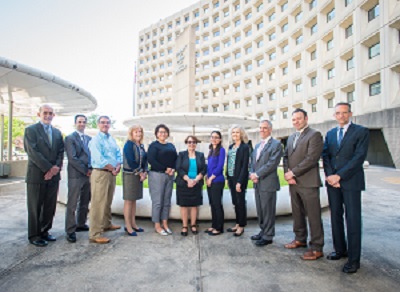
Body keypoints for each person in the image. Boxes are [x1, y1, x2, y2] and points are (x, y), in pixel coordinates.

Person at [322, 102, 369, 274]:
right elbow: (325, 155)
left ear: (350, 114)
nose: (341, 116)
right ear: (334, 115)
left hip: (351, 181)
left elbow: (359, 157)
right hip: (333, 182)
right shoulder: (330, 133)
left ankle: (353, 260)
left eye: (344, 113)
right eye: (337, 113)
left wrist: (339, 176)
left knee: (353, 219)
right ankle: (340, 250)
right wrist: (330, 176)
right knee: (335, 216)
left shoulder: (361, 131)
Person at [283, 108, 324, 260]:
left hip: (308, 182)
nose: (296, 122)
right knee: (297, 213)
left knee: (313, 215)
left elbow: (311, 159)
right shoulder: (291, 137)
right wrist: (288, 175)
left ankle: (317, 247)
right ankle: (300, 239)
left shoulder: (314, 135)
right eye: (294, 119)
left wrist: (293, 173)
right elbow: (286, 156)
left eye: (299, 119)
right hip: (293, 182)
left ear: (306, 118)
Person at [24, 104, 64, 247]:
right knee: (35, 207)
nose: (48, 115)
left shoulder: (58, 133)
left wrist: (54, 170)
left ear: (54, 115)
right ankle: (34, 235)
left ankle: (45, 231)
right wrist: (48, 168)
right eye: (45, 113)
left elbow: (60, 152)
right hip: (36, 175)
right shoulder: (30, 130)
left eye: (51, 113)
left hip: (53, 176)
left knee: (49, 206)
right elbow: (33, 152)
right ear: (39, 114)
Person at [88, 115, 122, 244]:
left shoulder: (111, 139)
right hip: (101, 173)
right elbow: (98, 158)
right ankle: (95, 233)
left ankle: (106, 224)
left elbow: (118, 153)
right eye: (102, 122)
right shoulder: (95, 140)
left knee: (107, 200)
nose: (105, 125)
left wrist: (118, 165)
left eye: (107, 123)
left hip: (111, 173)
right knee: (98, 203)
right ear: (98, 124)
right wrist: (111, 168)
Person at [249, 120, 283, 246]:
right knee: (261, 209)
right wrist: (252, 174)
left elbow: (272, 164)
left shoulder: (276, 144)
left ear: (270, 129)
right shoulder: (258, 146)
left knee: (268, 210)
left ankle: (268, 236)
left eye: (265, 128)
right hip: (257, 183)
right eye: (260, 128)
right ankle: (263, 231)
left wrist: (257, 174)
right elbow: (253, 162)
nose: (262, 130)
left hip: (268, 183)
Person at [64, 114, 92, 243]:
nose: (82, 124)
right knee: (72, 203)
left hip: (88, 175)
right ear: (75, 123)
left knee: (85, 201)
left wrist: (91, 169)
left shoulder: (89, 138)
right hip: (76, 175)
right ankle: (70, 230)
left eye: (84, 122)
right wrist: (85, 170)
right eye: (79, 121)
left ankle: (81, 223)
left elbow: (92, 155)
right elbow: (72, 158)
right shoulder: (70, 138)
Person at [147, 124, 177, 236]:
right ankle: (157, 225)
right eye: (160, 132)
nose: (162, 134)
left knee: (166, 201)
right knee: (158, 201)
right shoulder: (153, 146)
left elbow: (175, 159)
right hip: (157, 175)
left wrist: (173, 169)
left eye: (164, 132)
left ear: (168, 134)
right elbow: (151, 160)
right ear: (156, 134)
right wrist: (165, 169)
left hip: (170, 175)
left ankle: (165, 223)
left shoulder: (171, 146)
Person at [175, 135, 207, 236]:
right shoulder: (181, 154)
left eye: (193, 142)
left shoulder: (200, 155)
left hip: (196, 184)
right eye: (189, 142)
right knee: (184, 205)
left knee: (194, 205)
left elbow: (204, 169)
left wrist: (196, 179)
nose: (191, 144)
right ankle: (184, 226)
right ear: (186, 143)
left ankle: (193, 224)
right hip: (183, 183)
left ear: (196, 144)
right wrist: (188, 180)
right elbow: (178, 168)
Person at [122, 125, 148, 236]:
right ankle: (128, 226)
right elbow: (131, 161)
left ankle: (133, 224)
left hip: (139, 176)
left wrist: (145, 171)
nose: (138, 133)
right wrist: (140, 172)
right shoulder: (129, 144)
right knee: (128, 200)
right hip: (130, 175)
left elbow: (145, 160)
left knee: (134, 200)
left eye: (140, 131)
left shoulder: (141, 146)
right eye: (136, 132)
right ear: (131, 133)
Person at [226, 126, 250, 237]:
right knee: (235, 202)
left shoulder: (245, 147)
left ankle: (241, 226)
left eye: (237, 132)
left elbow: (245, 166)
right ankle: (237, 223)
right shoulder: (231, 146)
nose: (235, 134)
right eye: (233, 132)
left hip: (239, 179)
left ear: (241, 134)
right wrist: (227, 177)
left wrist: (240, 182)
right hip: (231, 178)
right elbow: (229, 162)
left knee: (240, 202)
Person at [205, 130, 226, 236]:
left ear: (220, 139)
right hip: (210, 181)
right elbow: (209, 167)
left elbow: (219, 167)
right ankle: (214, 225)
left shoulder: (221, 150)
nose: (214, 139)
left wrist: (211, 178)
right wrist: (206, 177)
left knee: (217, 204)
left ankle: (219, 228)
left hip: (217, 181)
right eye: (212, 137)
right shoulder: (211, 150)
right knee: (212, 204)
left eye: (216, 137)